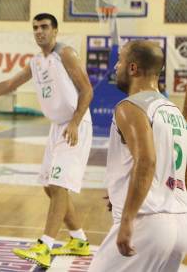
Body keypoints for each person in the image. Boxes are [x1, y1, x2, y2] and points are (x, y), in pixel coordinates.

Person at [0, 13, 94, 269]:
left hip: (75, 124)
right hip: (57, 127)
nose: (39, 31)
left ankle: (45, 245)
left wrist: (74, 122)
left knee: (58, 184)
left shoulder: (66, 54)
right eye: (36, 28)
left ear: (55, 31)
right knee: (49, 187)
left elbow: (87, 90)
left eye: (44, 27)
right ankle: (79, 240)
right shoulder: (36, 61)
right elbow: (8, 84)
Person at [89, 40, 187, 272]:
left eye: (120, 60)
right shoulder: (174, 112)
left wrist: (127, 219)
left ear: (133, 68)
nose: (116, 67)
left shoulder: (130, 107)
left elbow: (146, 162)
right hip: (180, 222)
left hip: (147, 222)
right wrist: (122, 191)